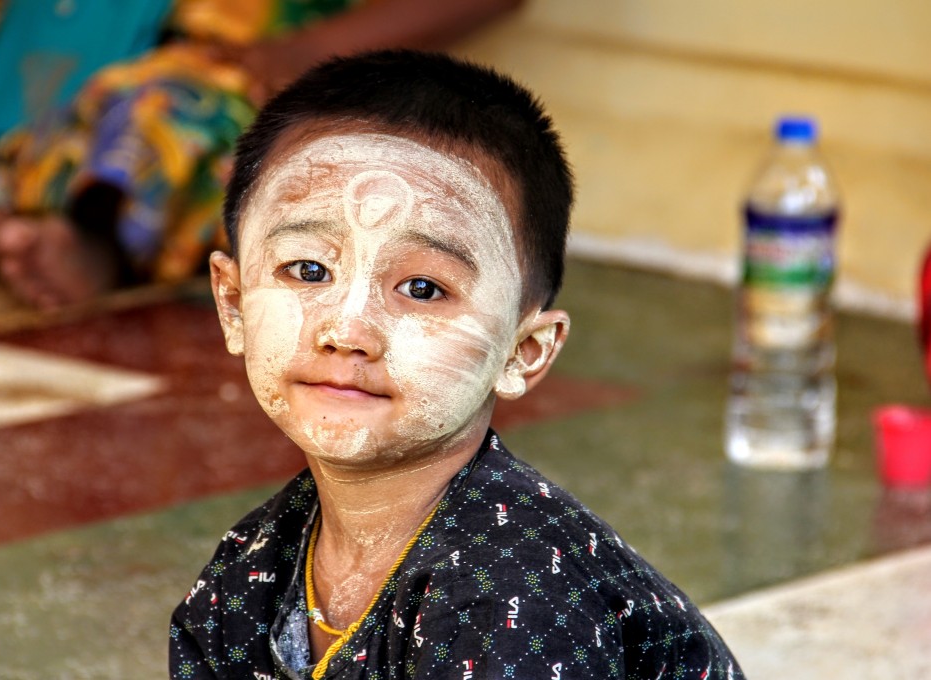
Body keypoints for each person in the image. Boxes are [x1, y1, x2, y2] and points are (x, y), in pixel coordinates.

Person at [169, 50, 743, 679]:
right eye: (308, 270)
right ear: (232, 303)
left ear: (525, 352)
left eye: (422, 288)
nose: (346, 330)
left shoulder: (512, 595)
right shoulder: (249, 573)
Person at [0, 0, 523, 310]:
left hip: (202, 72)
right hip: (0, 69)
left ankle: (90, 240)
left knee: (175, 118)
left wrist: (308, 52)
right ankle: (7, 236)